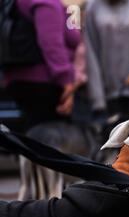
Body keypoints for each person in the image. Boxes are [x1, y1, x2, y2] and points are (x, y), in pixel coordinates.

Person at [3, 0, 80, 129]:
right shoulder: (47, 2)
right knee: (51, 140)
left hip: (20, 80)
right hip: (44, 83)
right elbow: (51, 44)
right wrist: (65, 81)